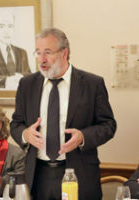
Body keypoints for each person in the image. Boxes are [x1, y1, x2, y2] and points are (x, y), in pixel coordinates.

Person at [10, 27, 116, 200]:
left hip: (78, 173)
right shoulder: (27, 85)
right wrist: (25, 134)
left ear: (64, 53)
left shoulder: (91, 83)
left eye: (48, 52)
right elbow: (15, 123)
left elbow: (108, 125)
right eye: (38, 53)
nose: (41, 59)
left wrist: (83, 136)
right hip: (38, 174)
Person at [0, 10, 31, 89]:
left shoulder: (22, 52)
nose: (6, 31)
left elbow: (28, 74)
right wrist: (8, 80)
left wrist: (22, 77)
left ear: (14, 28)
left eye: (10, 26)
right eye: (1, 26)